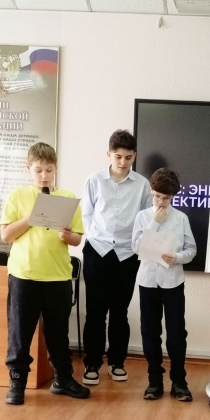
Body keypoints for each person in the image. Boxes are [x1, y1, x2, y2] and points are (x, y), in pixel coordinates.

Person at [0, 142, 90, 405]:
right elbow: (6, 235)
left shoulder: (67, 198)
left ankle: (62, 379)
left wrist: (67, 235)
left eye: (49, 170)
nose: (44, 176)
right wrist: (30, 217)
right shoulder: (18, 196)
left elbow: (77, 239)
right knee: (20, 332)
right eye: (38, 170)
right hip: (24, 275)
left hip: (58, 276)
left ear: (55, 169)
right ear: (28, 169)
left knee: (58, 333)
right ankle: (17, 382)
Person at [81, 130, 151, 386]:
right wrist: (95, 237)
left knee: (120, 312)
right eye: (118, 156)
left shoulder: (142, 184)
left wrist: (137, 246)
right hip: (97, 251)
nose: (123, 162)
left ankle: (117, 363)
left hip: (127, 254)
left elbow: (145, 219)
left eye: (128, 157)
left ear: (135, 156)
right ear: (108, 154)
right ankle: (92, 364)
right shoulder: (94, 179)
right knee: (95, 312)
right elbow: (86, 214)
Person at [132, 168, 197, 401]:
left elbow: (191, 250)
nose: (160, 201)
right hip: (148, 281)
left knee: (176, 333)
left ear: (173, 196)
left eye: (165, 198)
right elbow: (136, 247)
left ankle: (179, 381)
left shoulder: (181, 218)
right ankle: (154, 381)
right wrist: (154, 223)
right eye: (156, 196)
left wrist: (176, 257)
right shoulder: (142, 217)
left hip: (173, 281)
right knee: (150, 332)